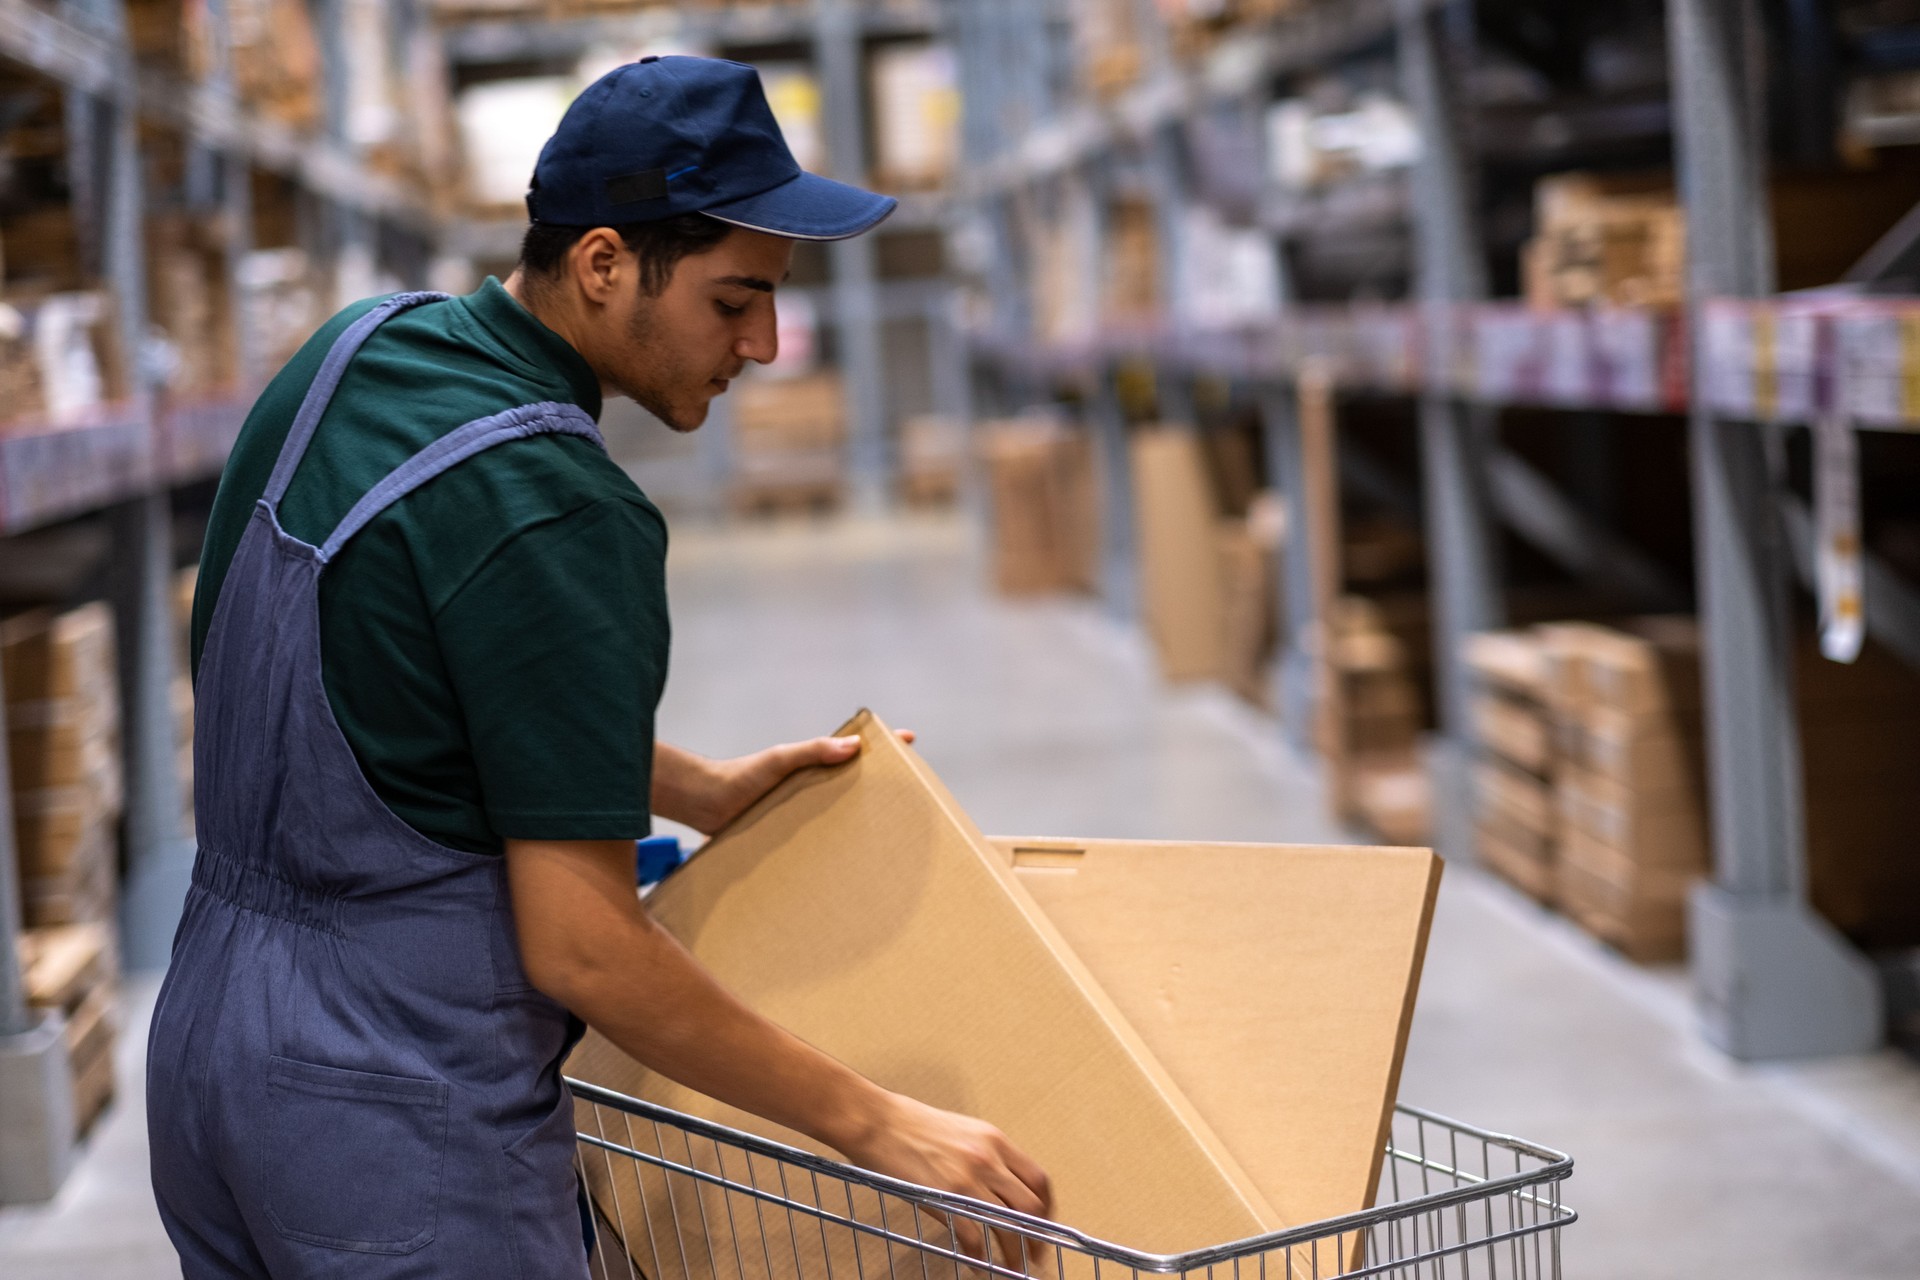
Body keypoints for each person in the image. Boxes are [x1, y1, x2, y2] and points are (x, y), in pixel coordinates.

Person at [147, 55, 1050, 1279]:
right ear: (606, 263)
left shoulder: (355, 357)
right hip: (392, 1111)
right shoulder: (563, 507)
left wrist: (689, 786)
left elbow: (399, 676)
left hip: (207, 1056)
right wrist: (880, 1121)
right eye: (735, 300)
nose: (768, 343)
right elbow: (582, 948)